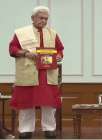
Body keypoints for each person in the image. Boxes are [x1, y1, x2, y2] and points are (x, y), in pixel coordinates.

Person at [9, 6, 64, 139]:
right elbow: (12, 49)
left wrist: (59, 56)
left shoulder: (52, 33)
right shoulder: (21, 33)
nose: (44, 21)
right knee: (27, 102)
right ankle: (25, 130)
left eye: (46, 19)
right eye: (41, 18)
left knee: (49, 103)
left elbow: (60, 49)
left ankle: (50, 129)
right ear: (33, 18)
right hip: (28, 72)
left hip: (47, 74)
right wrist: (26, 53)